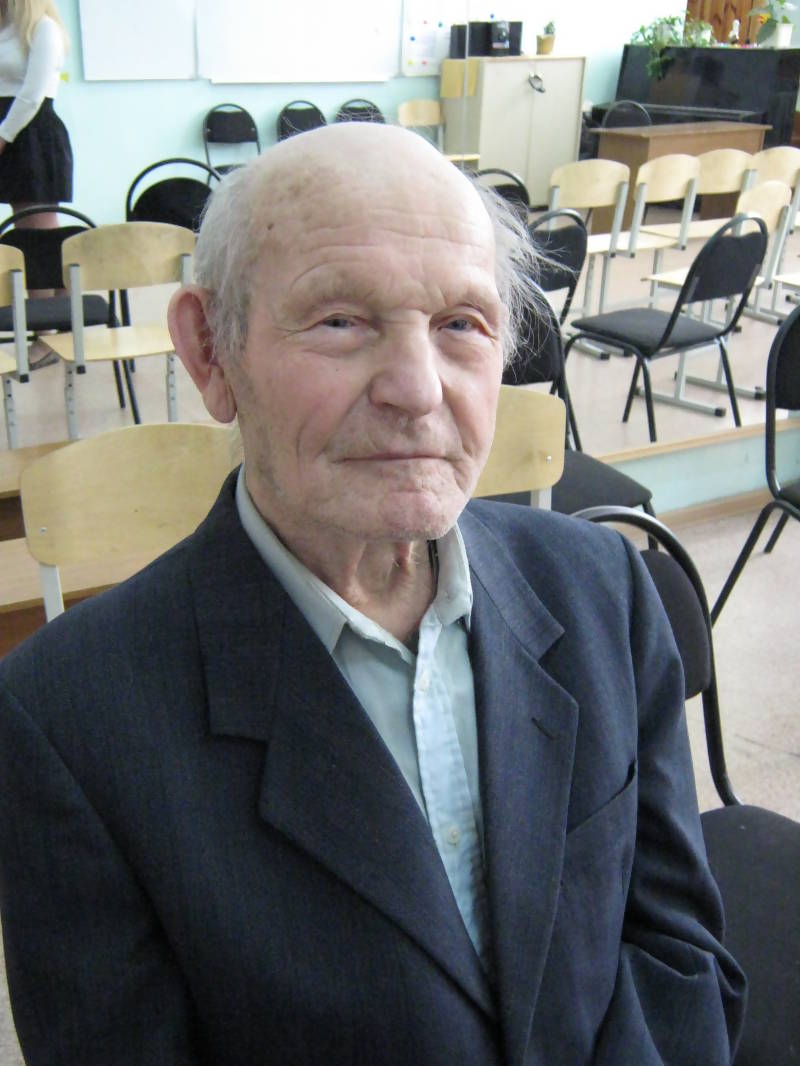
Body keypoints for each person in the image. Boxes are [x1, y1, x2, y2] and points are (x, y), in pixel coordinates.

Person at [0, 123, 746, 1064]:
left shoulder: (605, 586)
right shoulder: (66, 719)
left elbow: (679, 956)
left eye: (461, 324)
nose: (416, 389)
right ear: (211, 352)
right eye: (340, 321)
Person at [0, 0, 71, 225]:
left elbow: (33, 94)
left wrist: (3, 135)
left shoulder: (44, 28)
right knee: (21, 225)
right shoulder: (6, 29)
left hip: (33, 133)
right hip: (8, 130)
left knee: (36, 224)